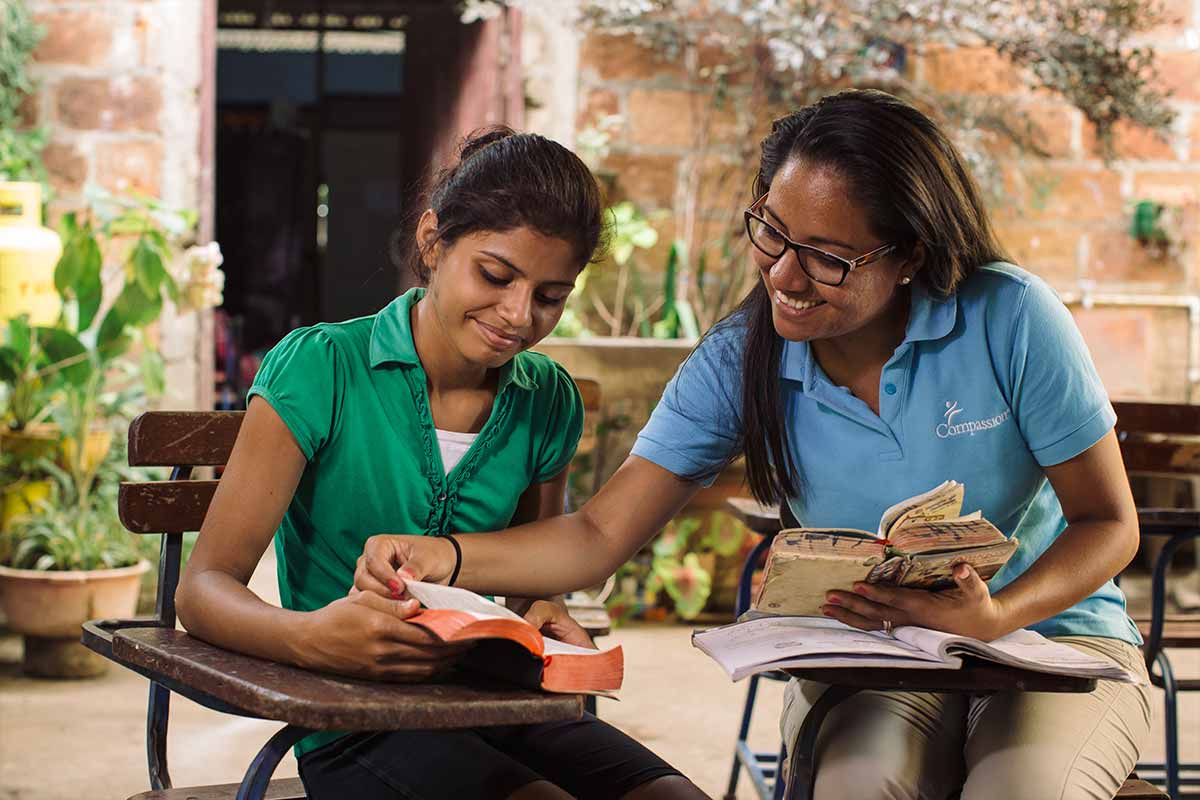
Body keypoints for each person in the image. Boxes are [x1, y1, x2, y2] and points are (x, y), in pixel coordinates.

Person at [356, 90, 1152, 800]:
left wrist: (999, 614)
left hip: (1055, 647)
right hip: (873, 659)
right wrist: (445, 557)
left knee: (1022, 788)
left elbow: (1109, 524)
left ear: (908, 256)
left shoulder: (1009, 317)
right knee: (856, 783)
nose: (785, 276)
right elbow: (599, 535)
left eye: (828, 258)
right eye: (771, 233)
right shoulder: (741, 356)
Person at [175, 127, 707, 800]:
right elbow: (202, 590)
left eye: (550, 295)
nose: (518, 314)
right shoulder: (321, 368)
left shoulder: (546, 399)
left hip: (495, 700)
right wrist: (312, 638)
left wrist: (540, 606)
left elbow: (532, 569)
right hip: (349, 721)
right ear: (432, 241)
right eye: (496, 275)